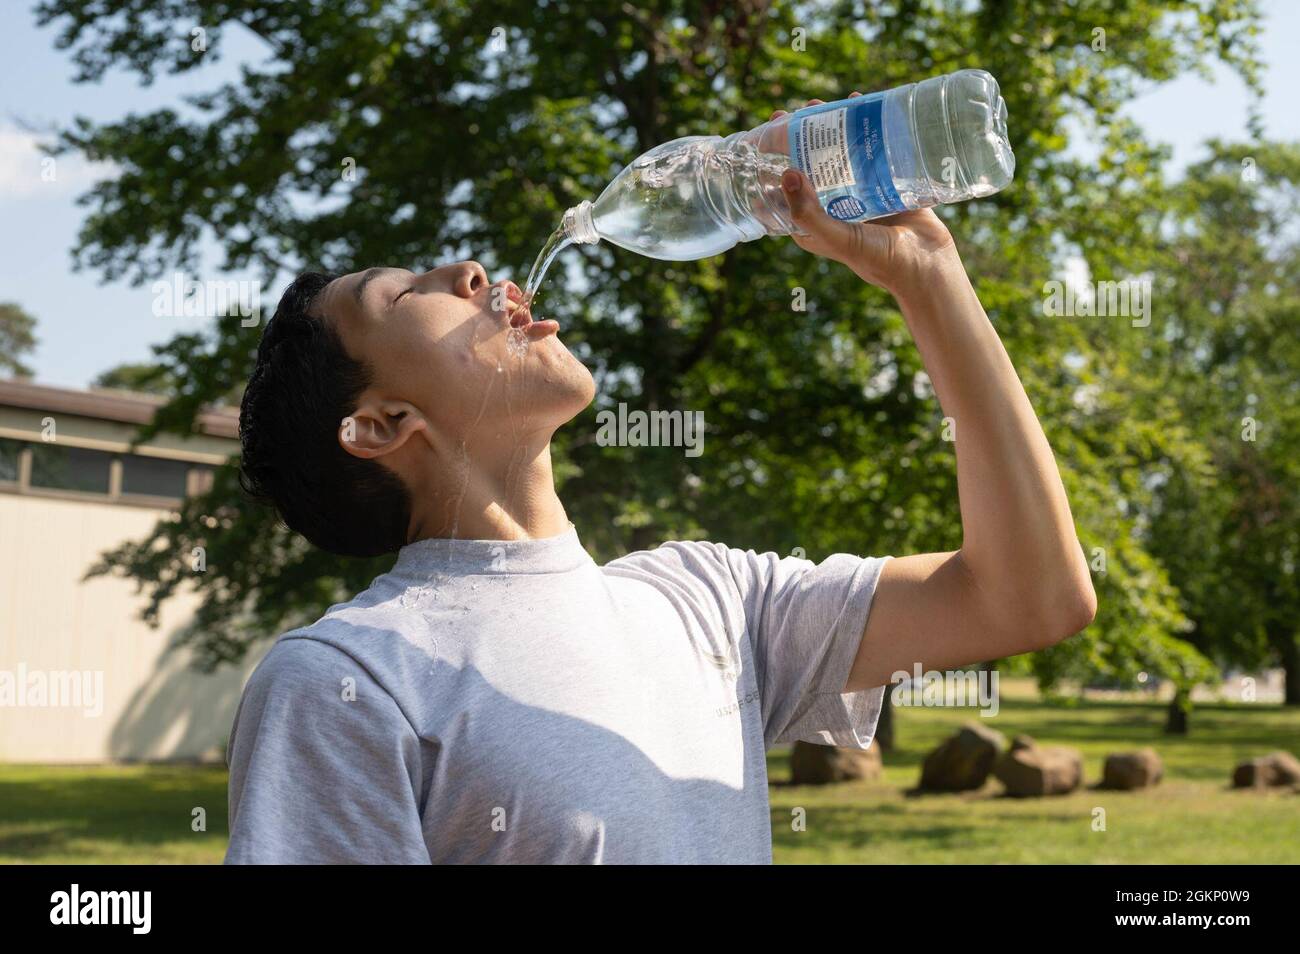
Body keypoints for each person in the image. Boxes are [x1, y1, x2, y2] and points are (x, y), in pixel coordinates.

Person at [225, 104, 1095, 863]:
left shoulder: (710, 601)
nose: (466, 271)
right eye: (403, 294)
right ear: (379, 426)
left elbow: (1029, 598)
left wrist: (928, 277)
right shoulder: (346, 682)